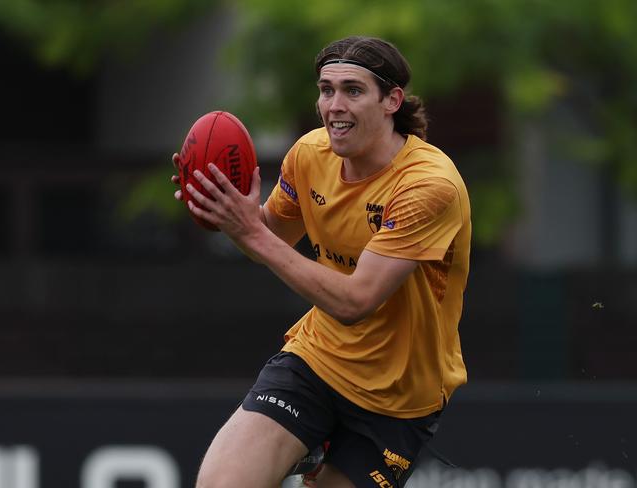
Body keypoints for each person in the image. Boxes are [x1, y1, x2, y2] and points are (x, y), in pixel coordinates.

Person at [172, 36, 471, 488]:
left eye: (352, 90)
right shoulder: (310, 155)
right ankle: (309, 447)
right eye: (326, 89)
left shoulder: (428, 186)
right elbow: (268, 240)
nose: (334, 105)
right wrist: (227, 213)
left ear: (391, 100)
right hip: (317, 362)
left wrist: (251, 232)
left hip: (398, 400)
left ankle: (314, 456)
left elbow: (356, 301)